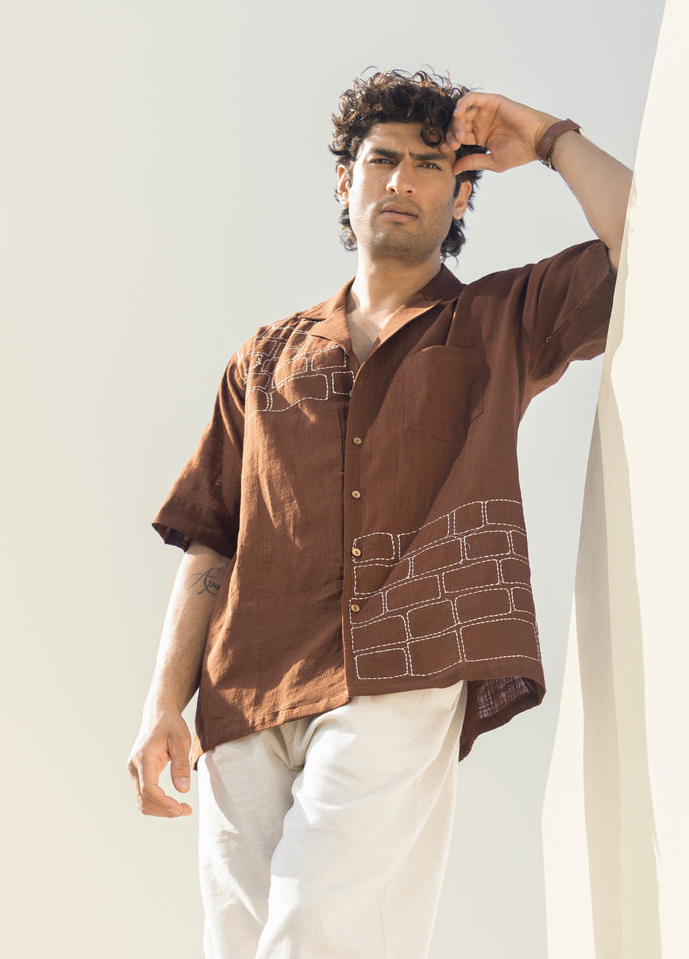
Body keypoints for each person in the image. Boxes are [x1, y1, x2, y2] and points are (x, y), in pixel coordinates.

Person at [127, 69, 632, 958]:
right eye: (381, 161)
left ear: (463, 189)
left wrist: (547, 135)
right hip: (244, 684)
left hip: (409, 658)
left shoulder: (498, 318)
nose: (400, 182)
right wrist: (163, 704)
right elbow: (212, 540)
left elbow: (653, 244)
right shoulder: (265, 357)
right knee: (242, 944)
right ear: (345, 181)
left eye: (429, 165)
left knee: (316, 931)